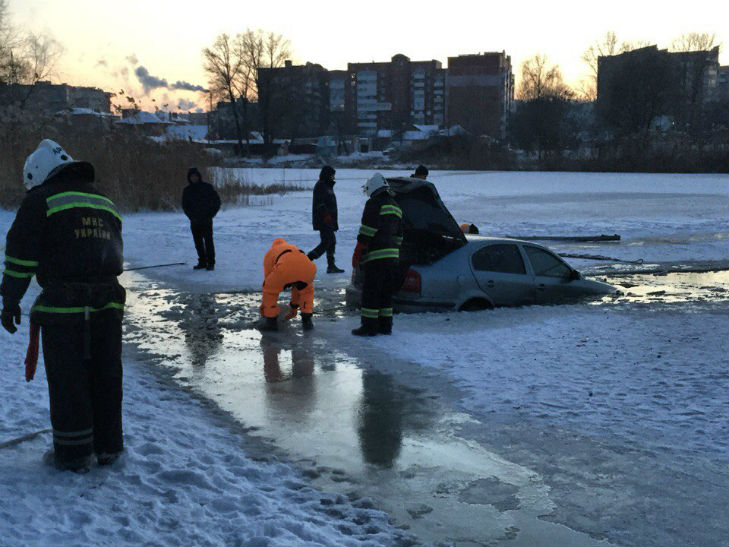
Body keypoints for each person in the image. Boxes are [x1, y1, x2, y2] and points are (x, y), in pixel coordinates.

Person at [0, 139, 126, 472]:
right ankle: (109, 448)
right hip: (109, 307)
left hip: (64, 309)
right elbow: (112, 254)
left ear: (38, 175)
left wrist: (10, 299)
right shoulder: (104, 202)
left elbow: (19, 256)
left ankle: (73, 455)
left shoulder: (40, 200)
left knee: (69, 380)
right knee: (106, 377)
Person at [351, 173, 403, 336]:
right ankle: (385, 326)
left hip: (376, 256)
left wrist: (359, 248)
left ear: (373, 188)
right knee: (386, 292)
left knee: (371, 292)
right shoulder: (396, 205)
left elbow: (368, 229)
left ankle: (369, 327)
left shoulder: (374, 203)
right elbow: (400, 236)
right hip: (393, 257)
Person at [259, 238, 317, 332]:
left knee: (270, 291)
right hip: (309, 268)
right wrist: (293, 308)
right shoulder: (293, 248)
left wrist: (264, 309)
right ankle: (307, 320)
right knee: (306, 292)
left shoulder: (270, 253)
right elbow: (297, 287)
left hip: (285, 270)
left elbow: (268, 285)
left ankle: (271, 322)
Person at [182, 167, 220, 271]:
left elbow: (217, 202)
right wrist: (191, 217)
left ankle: (211, 263)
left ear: (199, 176)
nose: (194, 178)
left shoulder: (207, 187)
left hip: (206, 219)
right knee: (198, 242)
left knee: (208, 241)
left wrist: (211, 214)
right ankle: (202, 261)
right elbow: (185, 206)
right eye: (192, 176)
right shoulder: (187, 191)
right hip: (194, 220)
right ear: (189, 178)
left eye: (196, 176)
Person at [307, 165, 344, 273]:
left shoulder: (327, 186)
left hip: (329, 220)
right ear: (327, 175)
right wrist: (326, 216)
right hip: (323, 220)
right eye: (332, 175)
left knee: (331, 241)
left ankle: (331, 265)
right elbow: (320, 204)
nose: (333, 177)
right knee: (326, 242)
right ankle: (307, 259)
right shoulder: (321, 186)